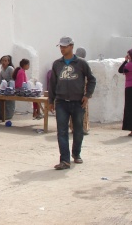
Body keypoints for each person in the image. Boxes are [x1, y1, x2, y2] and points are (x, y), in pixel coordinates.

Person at [48, 37, 96, 170]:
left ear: (71, 46)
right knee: (61, 131)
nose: (62, 49)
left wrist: (87, 95)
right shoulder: (57, 64)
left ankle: (76, 153)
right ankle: (64, 160)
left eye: (64, 46)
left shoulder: (81, 63)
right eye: (61, 47)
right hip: (61, 102)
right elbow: (52, 83)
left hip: (77, 102)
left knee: (78, 130)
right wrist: (51, 101)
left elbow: (91, 79)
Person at [0, 55, 15, 120]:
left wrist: (7, 85)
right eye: (2, 61)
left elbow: (13, 79)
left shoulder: (10, 68)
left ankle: (7, 115)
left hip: (10, 88)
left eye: (5, 61)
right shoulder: (2, 71)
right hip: (3, 88)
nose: (3, 62)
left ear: (8, 62)